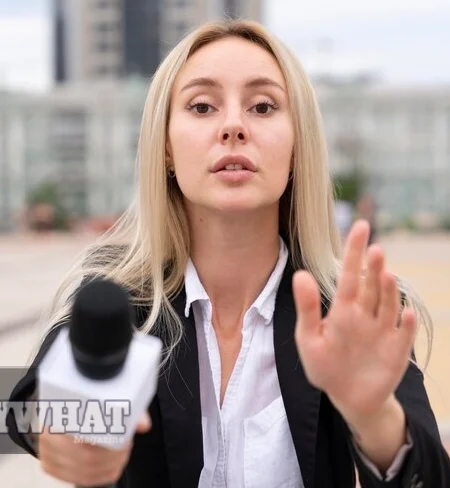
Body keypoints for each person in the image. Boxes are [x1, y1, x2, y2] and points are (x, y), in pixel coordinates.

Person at [6, 19, 450, 488]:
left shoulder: (350, 311)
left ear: (298, 147)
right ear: (166, 149)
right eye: (201, 106)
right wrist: (65, 428)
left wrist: (374, 416)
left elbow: (432, 475)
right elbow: (24, 405)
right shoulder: (123, 296)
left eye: (263, 106)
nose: (234, 126)